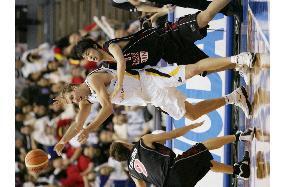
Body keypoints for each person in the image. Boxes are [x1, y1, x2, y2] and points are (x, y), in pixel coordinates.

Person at [53, 57, 253, 155]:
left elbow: (108, 109)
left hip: (149, 79)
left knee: (192, 70)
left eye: (72, 96)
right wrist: (63, 141)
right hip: (149, 96)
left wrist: (89, 129)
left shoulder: (93, 80)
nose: (75, 100)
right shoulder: (87, 101)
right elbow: (76, 124)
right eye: (72, 102)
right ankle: (235, 97)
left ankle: (237, 61)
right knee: (191, 114)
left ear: (73, 86)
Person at [73, 0, 253, 93]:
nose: (91, 58)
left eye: (90, 53)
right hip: (168, 52)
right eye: (87, 58)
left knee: (204, 17)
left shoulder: (109, 45)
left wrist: (119, 82)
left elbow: (121, 60)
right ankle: (239, 65)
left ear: (95, 46)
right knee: (204, 68)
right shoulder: (108, 68)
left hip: (165, 36)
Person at [109, 121, 253, 186]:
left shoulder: (133, 173)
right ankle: (240, 136)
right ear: (124, 144)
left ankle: (239, 170)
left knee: (204, 162)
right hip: (174, 170)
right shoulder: (143, 141)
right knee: (202, 147)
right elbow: (173, 134)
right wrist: (191, 126)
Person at [111, 0, 241, 17]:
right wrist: (160, 10)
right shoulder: (116, 3)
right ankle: (229, 8)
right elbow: (139, 6)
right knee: (195, 3)